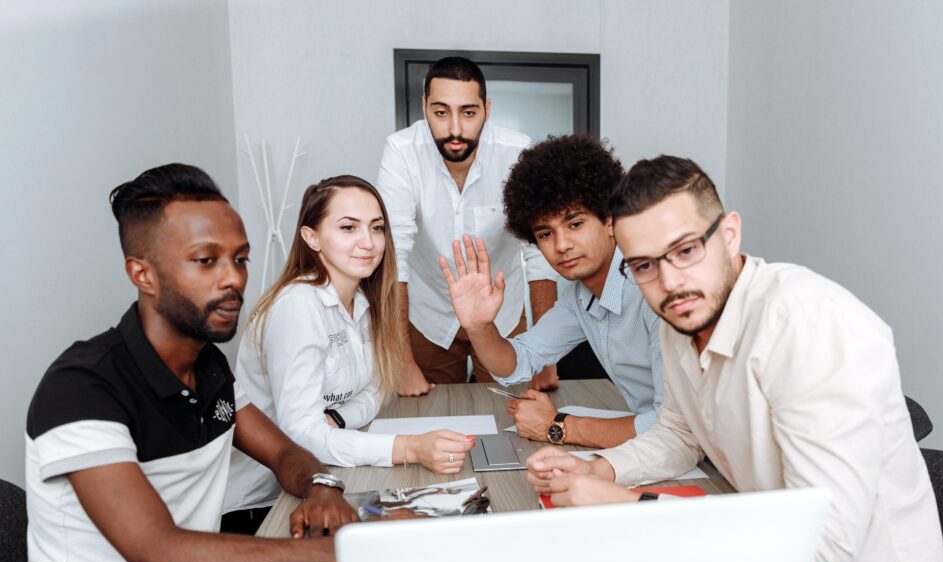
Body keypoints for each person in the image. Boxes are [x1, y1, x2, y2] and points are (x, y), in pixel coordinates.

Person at [525, 156, 943, 562]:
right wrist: (597, 469)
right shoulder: (681, 320)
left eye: (687, 250)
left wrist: (629, 503)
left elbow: (827, 540)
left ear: (729, 233)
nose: (670, 282)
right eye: (645, 265)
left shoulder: (807, 323)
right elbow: (677, 432)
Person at [21, 164, 360, 562]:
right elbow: (161, 557)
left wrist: (322, 486)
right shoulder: (81, 387)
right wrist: (343, 551)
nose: (233, 279)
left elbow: (286, 454)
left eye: (240, 259)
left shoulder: (209, 366)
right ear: (143, 274)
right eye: (206, 261)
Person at [223, 175, 475, 520]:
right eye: (347, 228)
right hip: (263, 502)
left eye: (376, 228)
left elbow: (377, 389)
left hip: (328, 473)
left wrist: (336, 420)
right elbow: (302, 436)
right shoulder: (298, 306)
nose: (368, 242)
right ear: (312, 237)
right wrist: (409, 448)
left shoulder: (362, 300)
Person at [439, 135, 663, 449]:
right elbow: (519, 361)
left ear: (610, 219)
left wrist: (557, 426)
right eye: (545, 233)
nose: (561, 245)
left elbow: (671, 425)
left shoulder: (656, 290)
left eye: (575, 224)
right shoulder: (579, 296)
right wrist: (479, 327)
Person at [376, 56, 558, 395]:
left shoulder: (517, 151)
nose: (455, 129)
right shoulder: (401, 152)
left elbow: (539, 255)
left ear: (487, 109)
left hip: (501, 314)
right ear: (424, 106)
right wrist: (401, 360)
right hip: (427, 312)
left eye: (469, 113)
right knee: (430, 417)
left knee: (514, 414)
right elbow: (393, 256)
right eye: (441, 112)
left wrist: (546, 356)